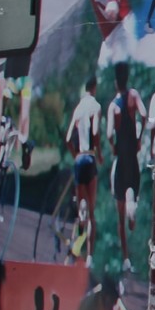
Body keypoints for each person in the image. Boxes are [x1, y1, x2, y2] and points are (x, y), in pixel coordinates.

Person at [106, 62, 147, 271]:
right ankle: (133, 209)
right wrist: (139, 138)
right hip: (133, 155)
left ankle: (126, 258)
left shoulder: (113, 106)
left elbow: (108, 134)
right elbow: (145, 114)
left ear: (115, 80)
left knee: (119, 215)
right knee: (131, 192)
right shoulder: (133, 96)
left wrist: (113, 147)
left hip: (121, 158)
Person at [64, 74, 102, 263]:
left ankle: (75, 248)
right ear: (94, 88)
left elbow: (67, 138)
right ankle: (89, 256)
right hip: (90, 156)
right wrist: (99, 153)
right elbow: (95, 132)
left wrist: (74, 155)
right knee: (92, 211)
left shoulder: (78, 108)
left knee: (82, 209)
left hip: (79, 159)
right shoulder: (95, 106)